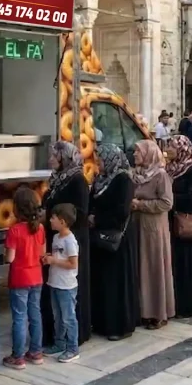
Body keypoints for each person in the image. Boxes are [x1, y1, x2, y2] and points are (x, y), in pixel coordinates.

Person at [41, 141, 91, 346]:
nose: (50, 159)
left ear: (64, 158)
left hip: (72, 239)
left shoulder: (77, 180)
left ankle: (72, 337)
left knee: (68, 291)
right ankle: (56, 335)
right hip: (55, 237)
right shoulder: (57, 180)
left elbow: (80, 213)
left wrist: (55, 215)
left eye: (54, 155)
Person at [89, 144, 138, 341]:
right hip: (100, 238)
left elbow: (121, 211)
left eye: (100, 159)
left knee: (116, 283)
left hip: (117, 239)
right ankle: (102, 322)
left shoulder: (123, 179)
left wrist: (97, 219)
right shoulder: (100, 179)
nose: (98, 163)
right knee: (102, 282)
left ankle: (119, 325)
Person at [131, 140, 175, 329]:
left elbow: (166, 203)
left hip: (154, 228)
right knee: (141, 268)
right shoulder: (136, 175)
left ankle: (158, 312)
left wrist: (141, 205)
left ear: (148, 154)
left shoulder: (160, 175)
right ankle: (143, 310)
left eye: (138, 152)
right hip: (138, 225)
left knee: (154, 268)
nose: (134, 155)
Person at [3, 187, 46, 370]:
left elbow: (10, 258)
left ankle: (18, 356)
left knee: (19, 317)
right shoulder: (41, 228)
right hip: (36, 276)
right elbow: (42, 254)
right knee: (35, 314)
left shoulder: (14, 230)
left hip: (19, 278)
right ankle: (36, 352)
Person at [165, 135, 192, 318]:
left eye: (172, 146)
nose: (168, 149)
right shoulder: (169, 168)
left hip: (185, 222)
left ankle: (188, 304)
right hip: (171, 222)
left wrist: (169, 198)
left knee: (186, 264)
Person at [43, 204, 81, 363]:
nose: (50, 220)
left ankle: (73, 348)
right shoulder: (57, 237)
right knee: (57, 316)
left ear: (63, 221)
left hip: (66, 286)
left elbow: (73, 264)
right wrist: (49, 258)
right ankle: (59, 343)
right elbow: (59, 256)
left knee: (68, 317)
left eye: (53, 218)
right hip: (55, 283)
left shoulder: (70, 241)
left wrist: (54, 261)